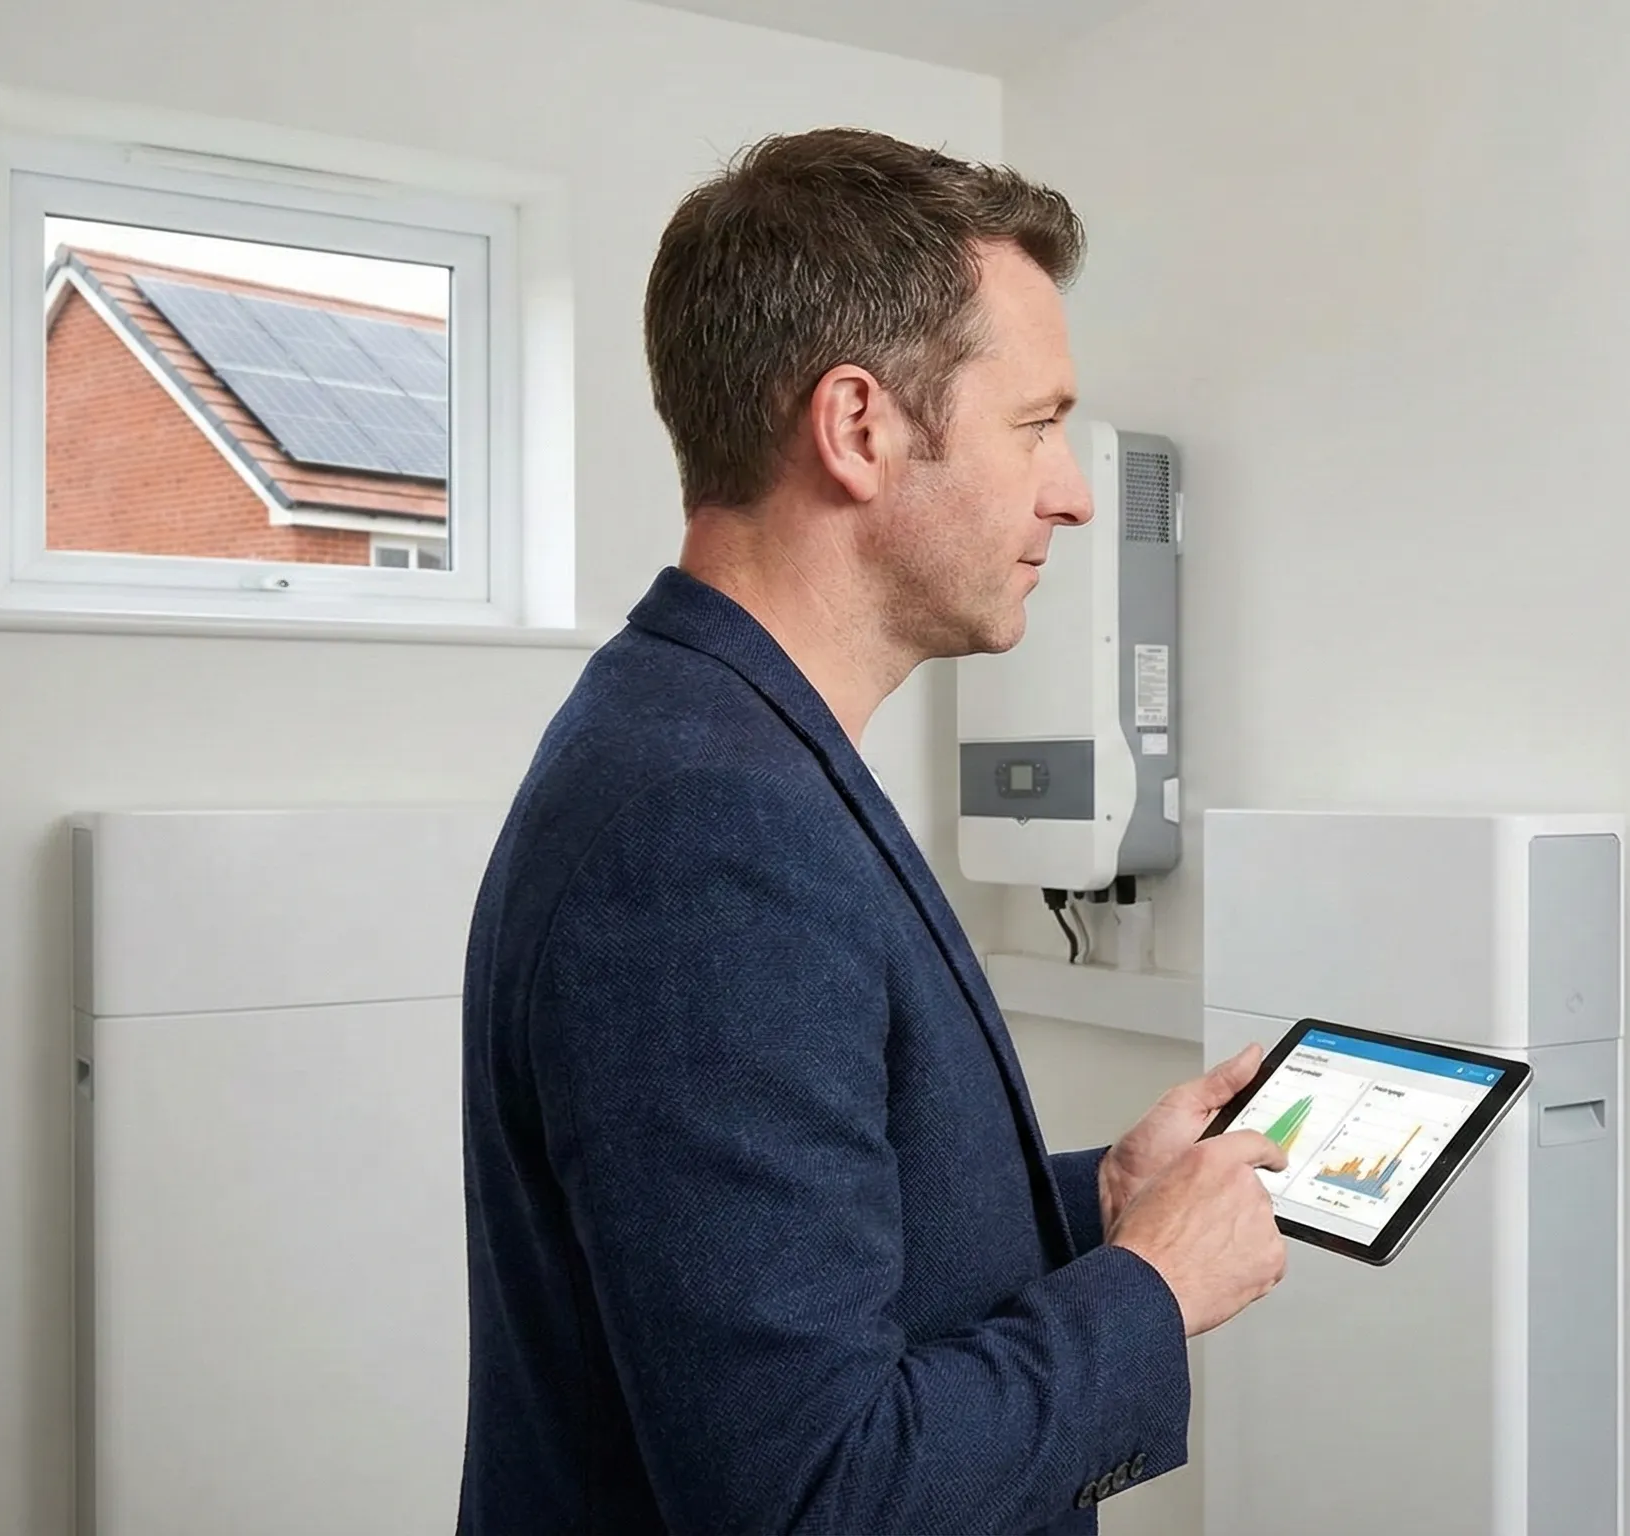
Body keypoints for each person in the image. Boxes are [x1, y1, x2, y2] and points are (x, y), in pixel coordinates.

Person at [456, 128, 1290, 1535]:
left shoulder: (710, 738)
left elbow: (810, 1258)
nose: (1075, 491)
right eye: (1035, 426)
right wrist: (1152, 1288)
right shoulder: (707, 830)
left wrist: (1106, 1201)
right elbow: (812, 1495)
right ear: (858, 428)